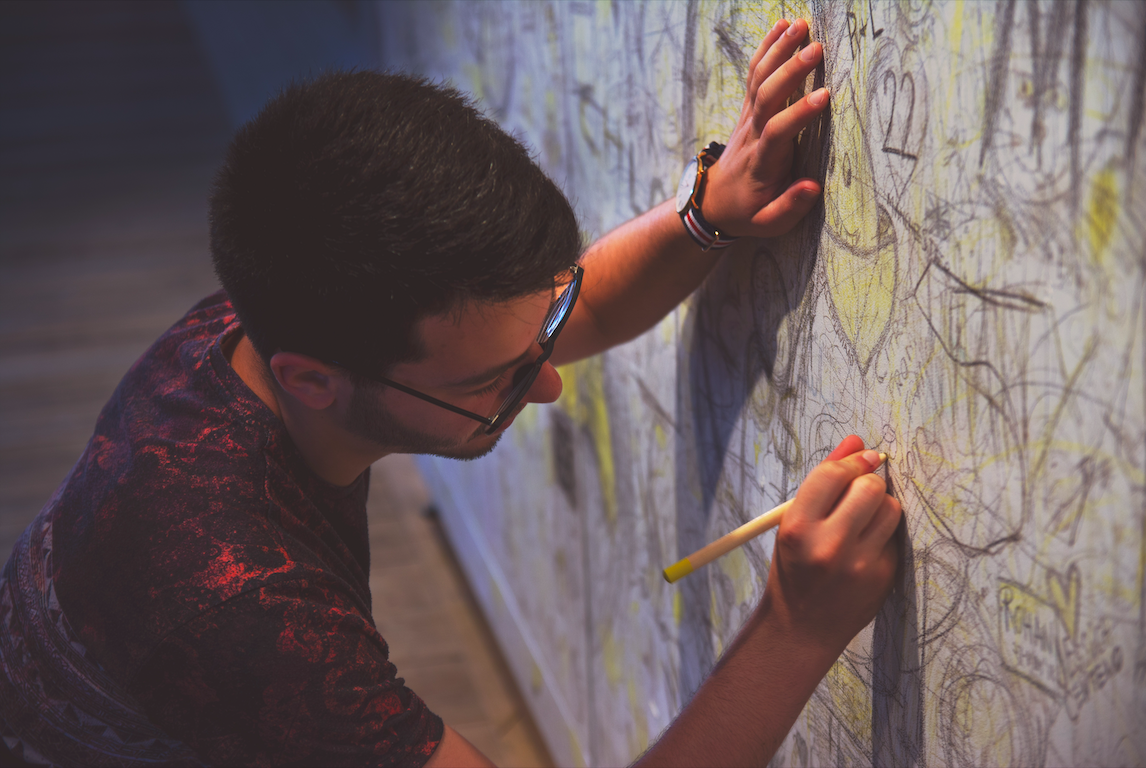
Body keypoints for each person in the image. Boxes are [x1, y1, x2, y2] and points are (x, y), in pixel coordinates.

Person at [0, 18, 901, 767]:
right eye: (493, 383)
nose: (548, 383)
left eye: (535, 342)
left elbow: (544, 317)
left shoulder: (277, 314)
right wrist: (795, 626)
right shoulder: (250, 619)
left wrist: (704, 216)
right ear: (311, 379)